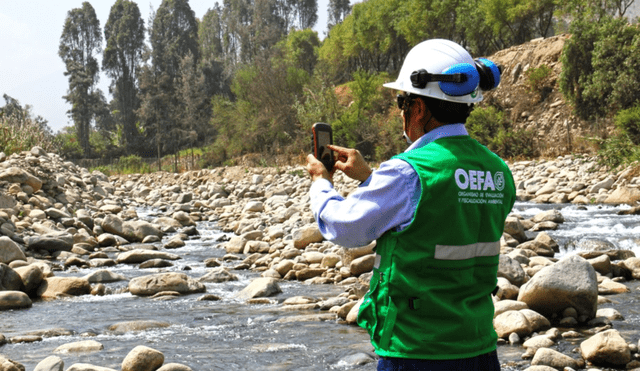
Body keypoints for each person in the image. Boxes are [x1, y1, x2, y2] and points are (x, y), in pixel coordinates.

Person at [306, 39, 516, 371]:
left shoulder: (408, 171)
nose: (401, 112)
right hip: (479, 349)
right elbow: (442, 213)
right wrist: (371, 179)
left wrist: (321, 182)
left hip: (416, 350)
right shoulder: (497, 170)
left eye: (403, 102)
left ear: (418, 109)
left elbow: (345, 226)